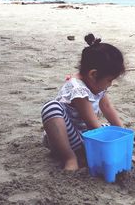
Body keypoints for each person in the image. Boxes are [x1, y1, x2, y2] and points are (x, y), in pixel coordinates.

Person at [41, 33, 126, 170]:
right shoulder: (78, 89)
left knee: (110, 129)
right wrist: (116, 151)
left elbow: (107, 106)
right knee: (51, 108)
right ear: (93, 74)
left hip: (85, 135)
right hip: (66, 138)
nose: (110, 84)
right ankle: (69, 157)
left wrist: (123, 135)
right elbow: (92, 125)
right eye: (109, 80)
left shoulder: (95, 84)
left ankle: (86, 152)